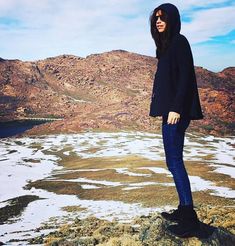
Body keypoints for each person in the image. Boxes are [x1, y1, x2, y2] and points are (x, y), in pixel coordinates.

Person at [149, 3, 204, 238]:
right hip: (169, 112)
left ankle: (189, 218)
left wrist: (176, 109)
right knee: (172, 162)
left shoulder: (180, 42)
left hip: (175, 113)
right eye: (156, 18)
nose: (158, 21)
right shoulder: (166, 46)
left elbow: (185, 79)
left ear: (173, 19)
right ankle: (183, 210)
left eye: (163, 18)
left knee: (175, 162)